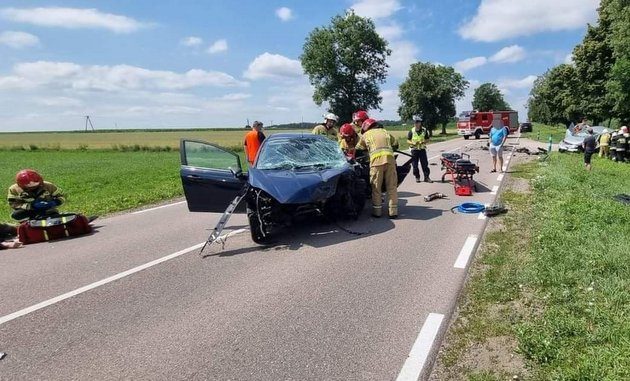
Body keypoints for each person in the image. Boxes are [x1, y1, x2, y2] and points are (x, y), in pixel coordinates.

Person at [356, 118, 399, 219]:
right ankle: (393, 212)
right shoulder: (385, 132)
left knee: (376, 188)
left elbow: (358, 150)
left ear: (366, 128)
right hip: (390, 161)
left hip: (376, 163)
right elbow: (396, 144)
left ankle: (377, 212)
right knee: (392, 187)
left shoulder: (365, 135)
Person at [407, 116, 432, 183]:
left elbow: (428, 139)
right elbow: (408, 140)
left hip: (422, 149)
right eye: (415, 123)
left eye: (417, 122)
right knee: (415, 165)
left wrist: (424, 142)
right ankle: (417, 177)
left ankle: (426, 177)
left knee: (425, 164)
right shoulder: (411, 131)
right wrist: (412, 143)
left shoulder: (424, 130)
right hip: (414, 150)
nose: (416, 124)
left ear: (420, 123)